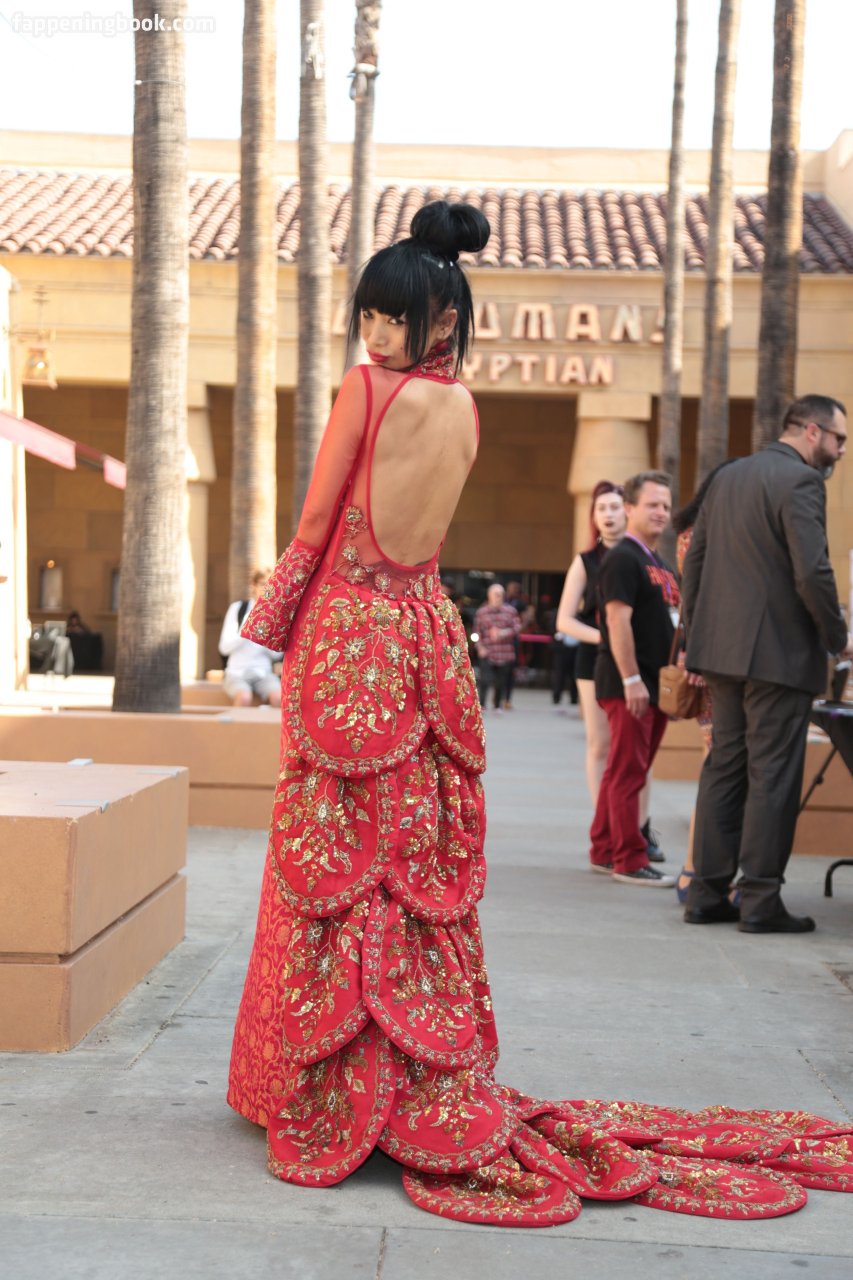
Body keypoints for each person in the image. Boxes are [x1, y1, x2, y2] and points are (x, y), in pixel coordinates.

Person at [226, 206, 851, 1227]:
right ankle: (413, 1060)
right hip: (423, 634)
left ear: (440, 320)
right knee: (406, 858)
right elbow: (425, 538)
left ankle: (322, 1079)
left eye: (392, 319)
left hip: (350, 627)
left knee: (331, 852)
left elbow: (318, 519)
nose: (375, 336)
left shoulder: (364, 390)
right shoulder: (465, 409)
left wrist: (269, 625)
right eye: (367, 318)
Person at [682, 395, 853, 933]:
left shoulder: (728, 475)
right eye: (839, 439)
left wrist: (695, 639)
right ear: (811, 431)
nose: (841, 451)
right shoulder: (803, 481)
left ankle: (706, 894)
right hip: (779, 656)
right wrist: (838, 637)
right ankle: (759, 901)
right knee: (773, 776)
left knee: (724, 768)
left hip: (720, 652)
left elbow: (695, 562)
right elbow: (813, 572)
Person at [556, 482, 663, 860]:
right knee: (601, 746)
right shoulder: (587, 561)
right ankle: (610, 827)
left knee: (637, 751)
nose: (608, 514)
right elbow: (564, 620)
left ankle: (640, 826)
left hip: (641, 662)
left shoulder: (647, 558)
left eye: (615, 506)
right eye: (601, 508)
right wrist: (608, 636)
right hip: (596, 662)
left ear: (627, 510)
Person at [588, 472, 678, 887]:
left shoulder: (656, 561)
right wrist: (631, 680)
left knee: (623, 771)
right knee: (629, 774)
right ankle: (629, 859)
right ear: (630, 508)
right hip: (630, 685)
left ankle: (605, 848)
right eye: (652, 504)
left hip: (652, 686)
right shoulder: (623, 558)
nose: (661, 512)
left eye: (666, 505)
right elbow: (616, 621)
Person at [219, 569, 283, 707]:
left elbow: (277, 655)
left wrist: (264, 637)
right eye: (263, 584)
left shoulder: (275, 614)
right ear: (254, 585)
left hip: (263, 673)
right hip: (236, 673)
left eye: (271, 585)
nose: (266, 589)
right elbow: (224, 648)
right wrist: (247, 630)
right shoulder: (238, 609)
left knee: (279, 698)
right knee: (244, 698)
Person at [473, 582, 521, 712]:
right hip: (487, 651)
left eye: (500, 595)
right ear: (489, 596)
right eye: (495, 594)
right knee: (485, 679)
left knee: (501, 681)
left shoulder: (511, 611)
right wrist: (480, 647)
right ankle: (482, 704)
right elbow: (476, 633)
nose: (498, 597)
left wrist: (504, 632)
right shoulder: (481, 612)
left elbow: (517, 627)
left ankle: (497, 705)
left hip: (505, 652)